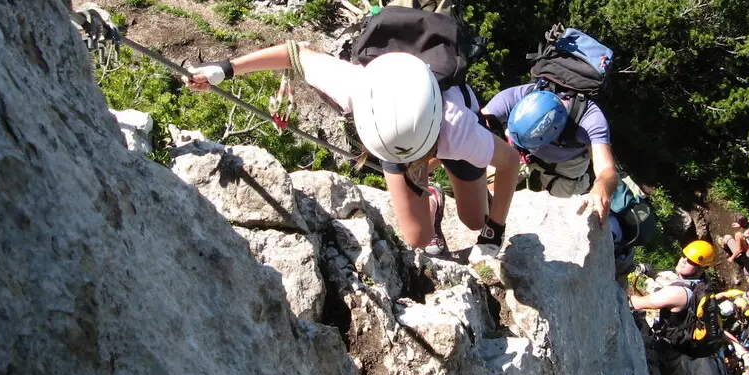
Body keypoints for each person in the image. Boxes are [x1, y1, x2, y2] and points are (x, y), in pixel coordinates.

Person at [185, 42, 521, 255]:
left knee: (475, 220)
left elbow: (509, 163)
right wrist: (224, 69)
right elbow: (294, 52)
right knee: (417, 238)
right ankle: (432, 199)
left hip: (442, 128)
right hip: (399, 135)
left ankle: (467, 197)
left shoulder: (459, 130)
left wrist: (494, 231)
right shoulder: (357, 89)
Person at [480, 86, 619, 231]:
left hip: (568, 163)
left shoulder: (590, 120)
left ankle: (616, 224)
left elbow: (607, 170)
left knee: (566, 213)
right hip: (521, 150)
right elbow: (477, 125)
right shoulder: (513, 97)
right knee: (490, 183)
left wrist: (601, 188)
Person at [628, 240, 717, 375]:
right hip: (686, 324)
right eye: (684, 256)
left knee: (671, 363)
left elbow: (636, 303)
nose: (683, 261)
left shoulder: (677, 293)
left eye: (691, 261)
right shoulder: (701, 283)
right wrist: (653, 275)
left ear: (700, 269)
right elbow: (675, 285)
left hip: (675, 340)